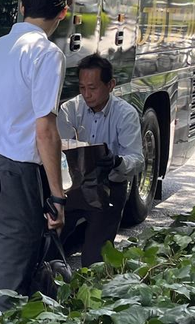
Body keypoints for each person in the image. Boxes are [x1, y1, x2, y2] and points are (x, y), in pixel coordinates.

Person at [0, 0, 71, 307]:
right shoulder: (46, 54)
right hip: (13, 174)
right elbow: (45, 130)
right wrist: (57, 197)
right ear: (63, 12)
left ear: (22, 6)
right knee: (11, 285)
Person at [57, 54, 145, 267]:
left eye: (93, 88)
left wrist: (117, 162)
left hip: (110, 186)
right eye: (82, 88)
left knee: (95, 257)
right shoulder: (70, 109)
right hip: (74, 185)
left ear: (110, 85)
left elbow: (137, 158)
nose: (87, 94)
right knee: (51, 242)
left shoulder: (126, 114)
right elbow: (58, 147)